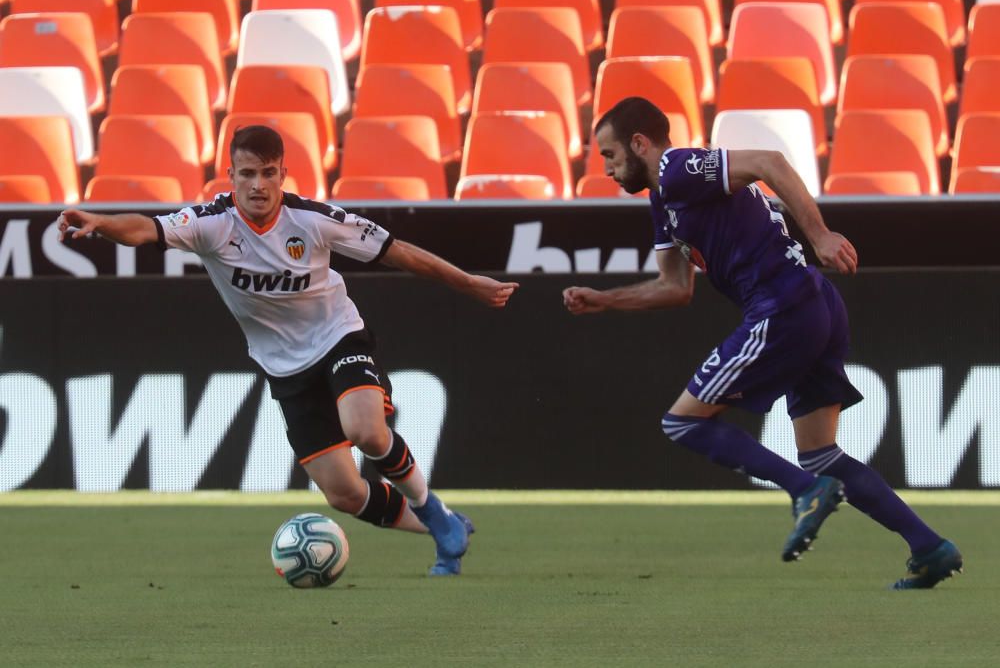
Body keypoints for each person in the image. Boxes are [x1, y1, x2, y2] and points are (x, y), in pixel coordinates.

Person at [58, 125, 519, 576]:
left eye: (268, 173)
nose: (257, 185)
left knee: (367, 431)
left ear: (283, 175)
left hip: (338, 338)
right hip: (285, 370)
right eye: (247, 174)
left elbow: (397, 252)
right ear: (231, 175)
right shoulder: (211, 225)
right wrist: (100, 223)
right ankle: (442, 527)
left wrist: (468, 283)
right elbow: (144, 229)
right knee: (344, 494)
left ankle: (432, 510)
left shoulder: (314, 221)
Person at [563, 97, 962, 589]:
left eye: (610, 154)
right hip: (814, 304)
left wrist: (819, 234)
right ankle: (929, 547)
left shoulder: (677, 166)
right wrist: (604, 300)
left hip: (783, 305)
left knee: (682, 422)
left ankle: (804, 490)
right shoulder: (663, 200)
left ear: (639, 143)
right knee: (821, 453)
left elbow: (769, 162)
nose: (606, 167)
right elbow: (675, 287)